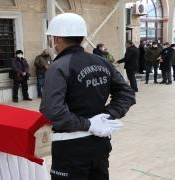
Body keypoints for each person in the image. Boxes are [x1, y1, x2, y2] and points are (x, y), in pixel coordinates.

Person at [39, 13, 135, 180]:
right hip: (99, 144)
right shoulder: (102, 62)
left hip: (71, 147)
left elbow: (52, 109)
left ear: (56, 38)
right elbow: (127, 93)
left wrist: (90, 123)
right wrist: (106, 116)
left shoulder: (59, 66)